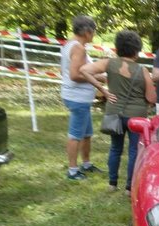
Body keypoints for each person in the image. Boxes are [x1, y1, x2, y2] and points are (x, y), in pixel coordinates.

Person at [80, 30, 156, 195]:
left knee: (115, 148)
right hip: (136, 117)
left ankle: (112, 183)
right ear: (137, 50)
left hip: (114, 113)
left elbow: (84, 70)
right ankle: (129, 188)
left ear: (117, 47)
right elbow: (151, 97)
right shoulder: (142, 71)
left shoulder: (109, 63)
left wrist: (103, 90)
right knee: (134, 150)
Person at [60, 15, 103, 181]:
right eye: (93, 32)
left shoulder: (69, 45)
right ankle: (72, 170)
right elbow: (74, 75)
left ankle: (86, 163)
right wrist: (99, 78)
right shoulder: (79, 48)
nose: (94, 35)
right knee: (75, 134)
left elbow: (64, 71)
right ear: (87, 31)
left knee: (86, 133)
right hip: (78, 98)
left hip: (78, 96)